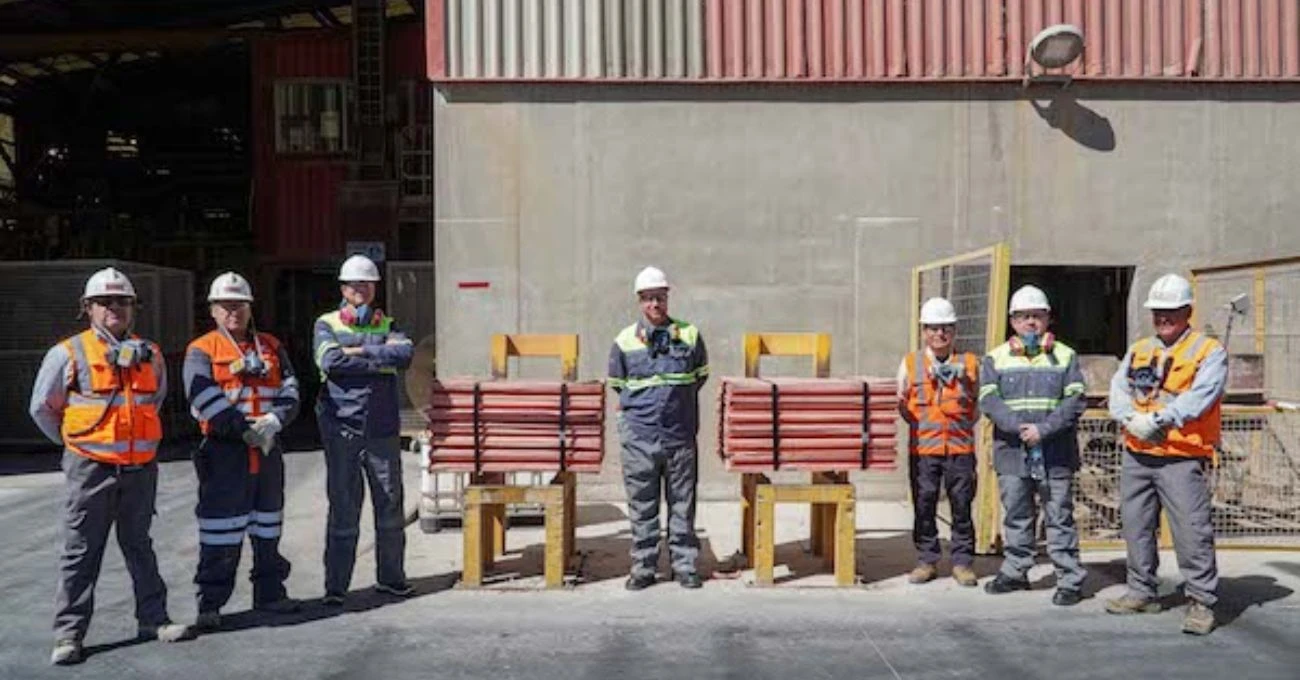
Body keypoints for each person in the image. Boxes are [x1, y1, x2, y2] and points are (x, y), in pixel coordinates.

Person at [29, 267, 194, 665]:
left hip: (139, 468)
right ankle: (69, 634)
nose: (114, 308)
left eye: (123, 301)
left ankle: (153, 619)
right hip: (91, 468)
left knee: (140, 546)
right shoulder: (68, 353)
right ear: (87, 308)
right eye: (104, 302)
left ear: (134, 307)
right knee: (81, 550)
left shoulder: (150, 354)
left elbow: (153, 402)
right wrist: (75, 446)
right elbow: (42, 408)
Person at [1105, 273, 1226, 636]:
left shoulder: (1208, 351)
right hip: (1138, 453)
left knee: (1191, 530)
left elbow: (1201, 396)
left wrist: (1158, 419)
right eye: (1158, 311)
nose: (1163, 317)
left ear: (1188, 311)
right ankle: (1141, 591)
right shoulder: (1140, 349)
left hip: (1181, 456)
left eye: (1171, 310)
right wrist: (1130, 418)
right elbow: (1119, 388)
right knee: (1136, 525)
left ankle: (1201, 600)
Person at [184, 272, 301, 630]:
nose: (233, 311)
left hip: (267, 446)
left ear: (250, 309)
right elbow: (201, 394)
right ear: (213, 310)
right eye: (225, 306)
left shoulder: (271, 345)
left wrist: (274, 421)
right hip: (224, 451)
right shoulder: (201, 349)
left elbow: (291, 387)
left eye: (240, 305)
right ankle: (210, 603)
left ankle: (270, 594)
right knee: (220, 529)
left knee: (268, 524)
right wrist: (241, 429)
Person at [313, 254, 414, 605]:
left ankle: (392, 579)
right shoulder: (326, 324)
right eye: (355, 285)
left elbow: (405, 355)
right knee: (344, 508)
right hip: (342, 428)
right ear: (343, 288)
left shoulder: (389, 322)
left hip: (382, 428)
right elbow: (330, 360)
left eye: (367, 285)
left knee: (390, 507)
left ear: (375, 288)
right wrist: (378, 355)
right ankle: (336, 588)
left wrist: (355, 351)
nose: (361, 290)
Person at [978, 284, 1088, 606]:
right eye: (1024, 316)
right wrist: (1018, 428)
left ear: (1048, 319)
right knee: (1016, 513)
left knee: (1059, 515)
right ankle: (1015, 571)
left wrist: (1044, 429)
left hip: (1055, 452)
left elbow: (1076, 400)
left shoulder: (1065, 356)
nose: (1030, 323)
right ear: (1013, 321)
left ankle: (1069, 579)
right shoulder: (996, 358)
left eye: (1037, 316)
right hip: (1013, 452)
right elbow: (989, 400)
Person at [608, 266, 709, 590]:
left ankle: (685, 566)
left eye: (660, 297)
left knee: (682, 503)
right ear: (640, 301)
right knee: (642, 505)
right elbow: (618, 384)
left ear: (668, 297)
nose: (655, 304)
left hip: (679, 435)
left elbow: (700, 376)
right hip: (639, 436)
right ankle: (643, 568)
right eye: (649, 298)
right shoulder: (624, 341)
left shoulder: (689, 335)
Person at [897, 297, 980, 587]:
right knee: (924, 504)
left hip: (960, 448)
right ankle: (926, 560)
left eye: (946, 328)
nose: (940, 334)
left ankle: (962, 562)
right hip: (924, 450)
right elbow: (902, 405)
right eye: (933, 328)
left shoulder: (970, 363)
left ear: (954, 330)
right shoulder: (910, 363)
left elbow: (978, 405)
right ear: (924, 331)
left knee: (962, 506)